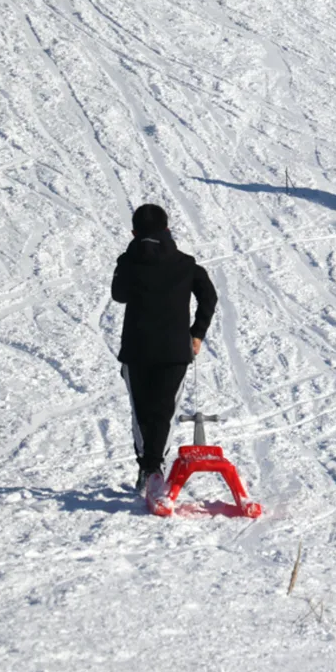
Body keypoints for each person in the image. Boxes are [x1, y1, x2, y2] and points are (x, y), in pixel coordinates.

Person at [111, 204, 217, 491]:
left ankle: (147, 469)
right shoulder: (186, 264)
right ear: (168, 229)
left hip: (137, 349)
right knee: (164, 411)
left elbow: (118, 295)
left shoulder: (128, 262)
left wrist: (127, 262)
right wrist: (197, 333)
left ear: (134, 232)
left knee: (142, 411)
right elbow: (209, 295)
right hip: (175, 351)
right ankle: (155, 467)